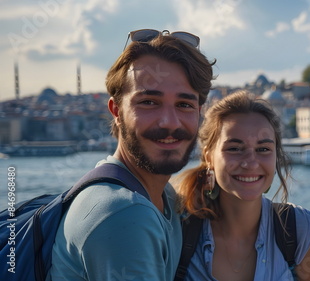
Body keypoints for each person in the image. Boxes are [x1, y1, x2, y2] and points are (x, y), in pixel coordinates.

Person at [48, 29, 215, 280]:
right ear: (116, 110)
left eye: (184, 104)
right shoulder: (124, 213)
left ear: (199, 112)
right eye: (149, 102)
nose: (170, 122)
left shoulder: (163, 197)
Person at [176, 91, 310, 281]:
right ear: (209, 156)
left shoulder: (297, 231)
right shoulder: (179, 230)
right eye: (234, 148)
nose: (250, 163)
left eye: (263, 149)